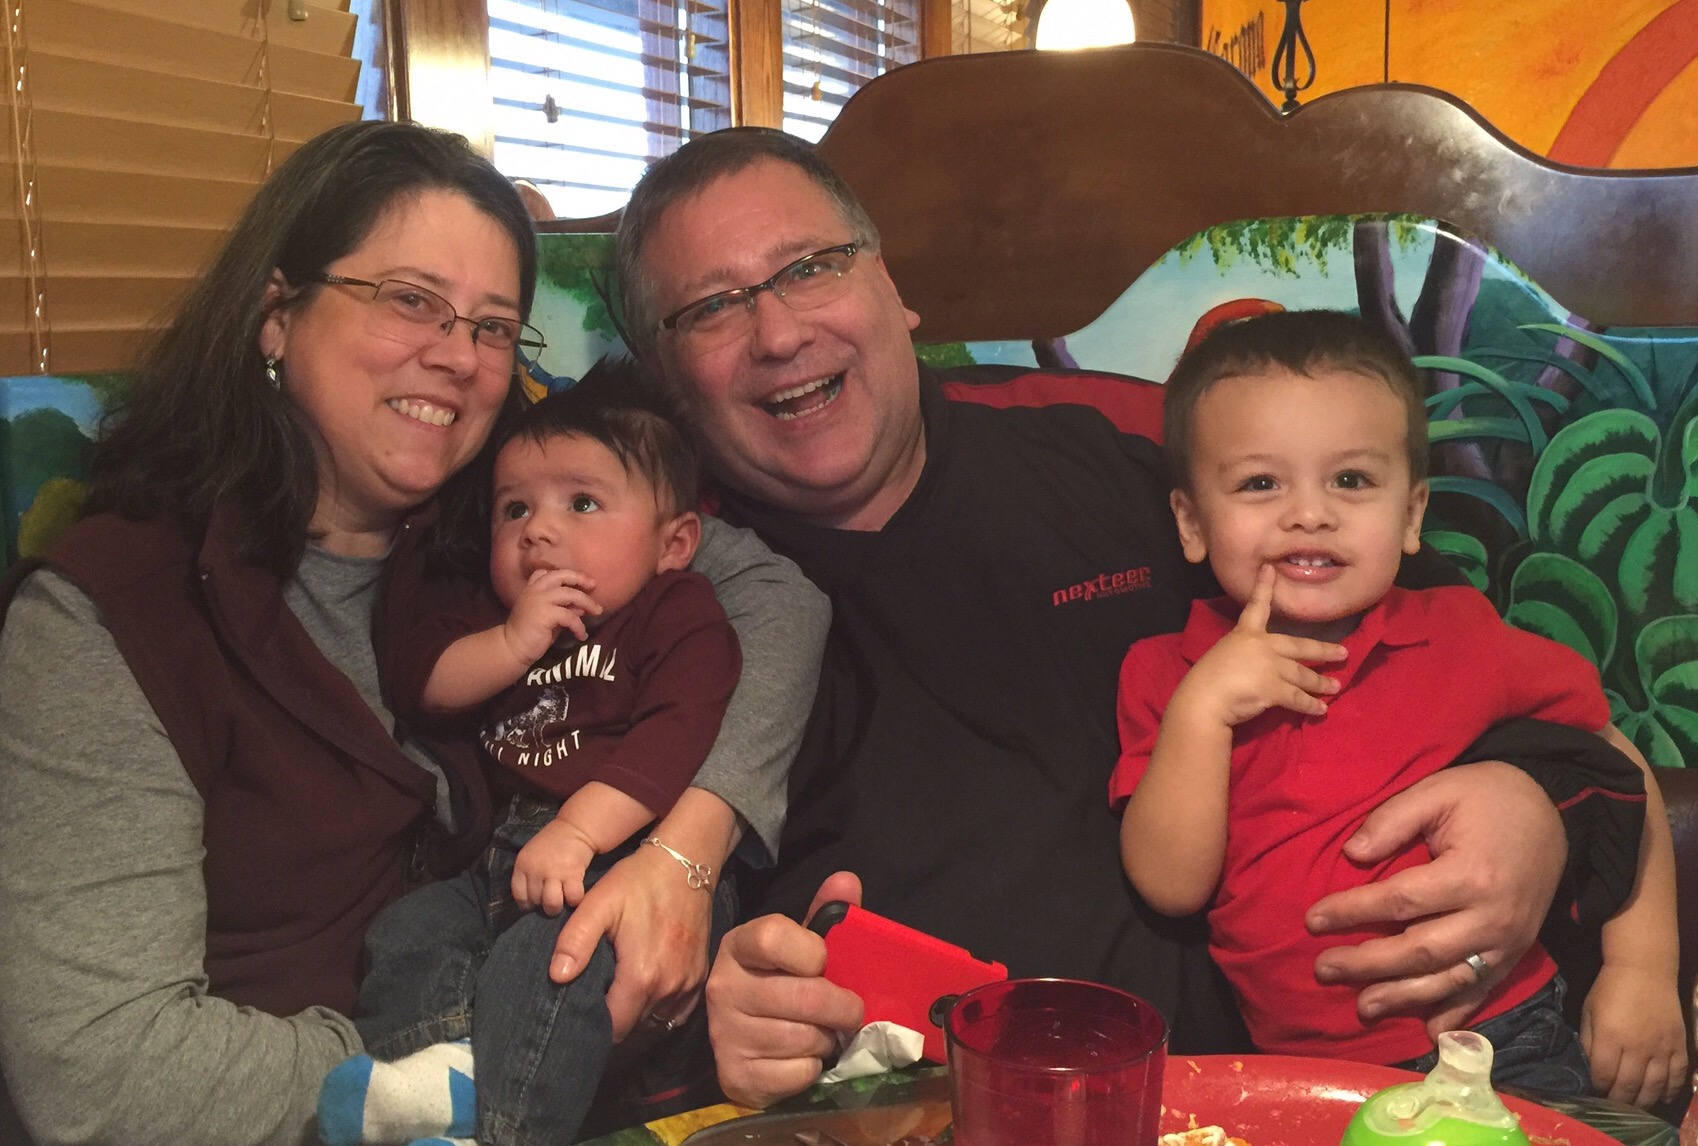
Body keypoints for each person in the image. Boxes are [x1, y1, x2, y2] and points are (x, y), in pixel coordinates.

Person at [608, 127, 1652, 1109]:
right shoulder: (634, 594)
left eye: (810, 267)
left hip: (1279, 1087)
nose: (780, 333)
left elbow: (1456, 663)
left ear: (889, 284)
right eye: (712, 308)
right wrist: (710, 1032)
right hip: (920, 1114)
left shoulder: (1138, 445)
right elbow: (584, 971)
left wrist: (1540, 813)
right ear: (664, 377)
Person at [0, 121, 829, 1146]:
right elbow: (99, 1073)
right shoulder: (111, 614)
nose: (457, 357)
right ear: (276, 316)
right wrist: (458, 1057)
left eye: (493, 327)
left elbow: (775, 599)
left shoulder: (509, 520)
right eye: (409, 300)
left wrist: (684, 855)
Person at [1112, 310, 1683, 1103]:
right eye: (1260, 483)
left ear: (1411, 515)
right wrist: (1203, 710)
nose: (1309, 513)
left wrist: (1643, 969)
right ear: (1192, 522)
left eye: (1350, 480)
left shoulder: (1461, 636)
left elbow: (1615, 764)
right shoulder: (1166, 674)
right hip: (1297, 1072)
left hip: (1495, 1038)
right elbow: (1171, 885)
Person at [317, 366, 744, 1146]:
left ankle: (508, 1131)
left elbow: (674, 737)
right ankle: (445, 1082)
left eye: (582, 504)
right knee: (407, 934)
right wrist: (513, 642)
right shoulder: (497, 617)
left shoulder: (674, 612)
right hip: (501, 859)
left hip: (621, 857)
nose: (538, 531)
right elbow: (424, 685)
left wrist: (579, 831)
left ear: (673, 542)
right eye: (515, 509)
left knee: (548, 966)